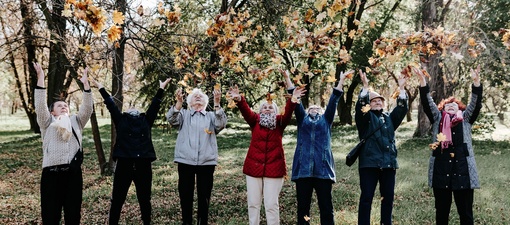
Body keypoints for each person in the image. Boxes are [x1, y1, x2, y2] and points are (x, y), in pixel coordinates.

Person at [93, 78, 171, 225]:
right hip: (124, 164)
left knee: (145, 199)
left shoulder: (146, 120)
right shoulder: (121, 119)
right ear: (126, 111)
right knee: (117, 198)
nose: (133, 108)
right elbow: (111, 105)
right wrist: (101, 88)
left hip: (143, 164)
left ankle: (147, 222)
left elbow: (154, 106)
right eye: (130, 107)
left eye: (136, 107)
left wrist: (161, 89)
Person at [228, 84, 306, 225]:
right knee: (253, 204)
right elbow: (245, 111)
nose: (268, 108)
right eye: (265, 107)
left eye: (271, 107)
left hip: (274, 169)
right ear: (260, 111)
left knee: (271, 205)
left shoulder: (280, 123)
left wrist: (293, 98)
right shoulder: (255, 121)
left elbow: (288, 112)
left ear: (276, 112)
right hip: (253, 168)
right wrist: (239, 99)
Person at [282, 69, 352, 225]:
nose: (314, 108)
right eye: (311, 108)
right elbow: (295, 100)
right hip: (303, 171)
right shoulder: (302, 119)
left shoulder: (326, 120)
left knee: (326, 207)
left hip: (323, 171)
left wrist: (340, 81)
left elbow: (333, 100)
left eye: (318, 108)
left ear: (322, 111)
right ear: (306, 111)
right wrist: (287, 78)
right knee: (303, 209)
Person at [414, 66, 482, 225]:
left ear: (461, 108)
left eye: (454, 105)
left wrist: (476, 83)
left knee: (465, 213)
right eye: (447, 105)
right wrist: (423, 82)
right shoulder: (437, 119)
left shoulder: (466, 119)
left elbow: (475, 104)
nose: (451, 106)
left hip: (462, 170)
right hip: (441, 170)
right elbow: (427, 102)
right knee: (442, 213)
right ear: (442, 109)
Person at [34, 62, 93, 225]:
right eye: (60, 106)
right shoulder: (47, 122)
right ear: (52, 111)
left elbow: (87, 109)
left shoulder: (76, 121)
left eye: (66, 105)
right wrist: (41, 78)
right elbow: (39, 106)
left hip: (72, 175)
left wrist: (86, 85)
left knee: (73, 216)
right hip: (51, 175)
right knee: (50, 217)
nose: (64, 107)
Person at [167, 87, 227, 225]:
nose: (198, 97)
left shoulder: (211, 116)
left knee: (204, 197)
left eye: (201, 96)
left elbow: (221, 124)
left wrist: (217, 103)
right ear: (189, 102)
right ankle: (187, 222)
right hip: (185, 161)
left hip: (206, 162)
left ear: (206, 102)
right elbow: (171, 119)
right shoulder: (184, 114)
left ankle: (202, 222)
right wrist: (178, 103)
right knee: (185, 196)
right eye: (195, 96)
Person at [355, 69, 408, 225]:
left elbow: (401, 109)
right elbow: (361, 107)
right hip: (369, 165)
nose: (378, 102)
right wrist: (365, 88)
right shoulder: (364, 118)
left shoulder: (389, 118)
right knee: (366, 198)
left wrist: (402, 89)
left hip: (388, 164)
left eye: (380, 101)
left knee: (388, 199)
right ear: (369, 105)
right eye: (374, 101)